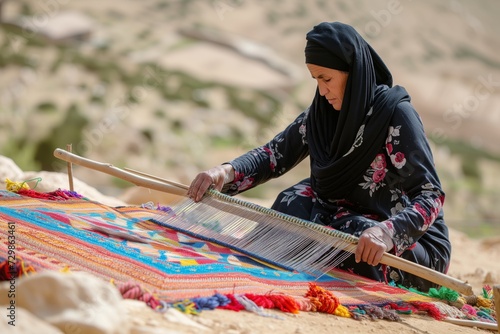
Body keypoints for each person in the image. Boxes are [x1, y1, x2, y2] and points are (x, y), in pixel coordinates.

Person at [187, 21, 451, 292]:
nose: (322, 91)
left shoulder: (396, 116)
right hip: (344, 217)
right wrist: (225, 172)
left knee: (349, 234)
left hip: (406, 243)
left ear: (354, 72)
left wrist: (386, 232)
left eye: (326, 79)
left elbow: (431, 195)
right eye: (316, 80)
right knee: (293, 202)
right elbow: (274, 155)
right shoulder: (323, 116)